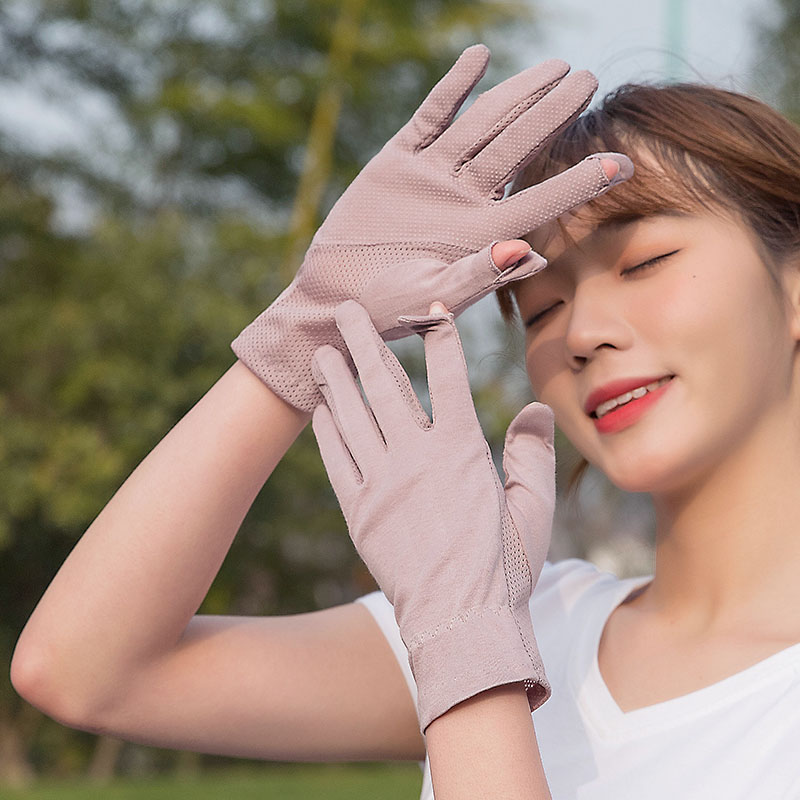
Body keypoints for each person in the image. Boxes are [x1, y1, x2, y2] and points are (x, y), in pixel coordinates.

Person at [9, 42, 800, 798]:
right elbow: (83, 670)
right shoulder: (527, 612)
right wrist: (304, 330)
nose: (583, 330)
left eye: (644, 263)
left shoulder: (479, 618)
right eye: (540, 308)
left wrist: (467, 651)